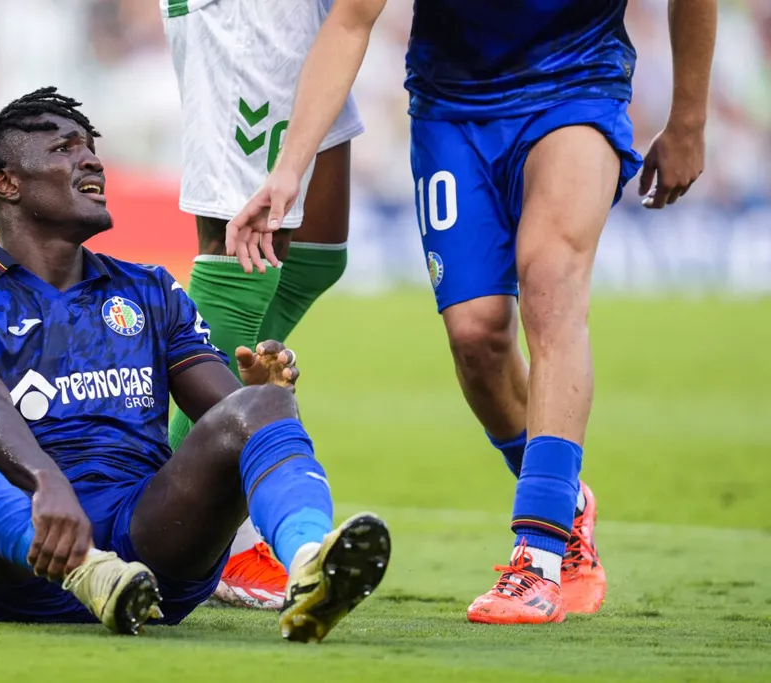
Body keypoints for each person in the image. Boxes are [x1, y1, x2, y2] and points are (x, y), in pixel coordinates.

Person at [228, 0, 715, 624]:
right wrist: (288, 169)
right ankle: (567, 502)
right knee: (477, 338)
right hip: (452, 110)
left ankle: (539, 557)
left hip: (576, 88)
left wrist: (689, 121)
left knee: (551, 288)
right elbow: (351, 18)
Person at [0, 87, 390, 641]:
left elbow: (229, 416)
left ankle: (309, 566)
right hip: (20, 555)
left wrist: (256, 395)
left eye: (90, 147)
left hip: (151, 543)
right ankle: (86, 571)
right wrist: (44, 483)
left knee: (268, 403)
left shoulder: (150, 289)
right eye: (64, 149)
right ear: (6, 182)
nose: (90, 160)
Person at [159, 0, 366, 609]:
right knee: (244, 254)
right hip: (253, 16)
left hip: (312, 13)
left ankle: (215, 412)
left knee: (316, 255)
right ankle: (181, 526)